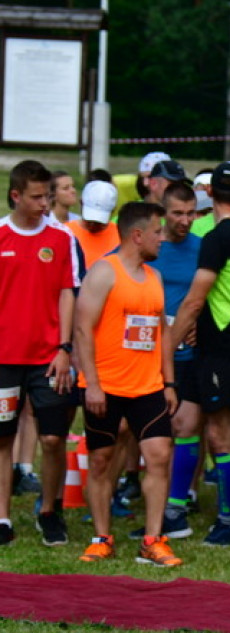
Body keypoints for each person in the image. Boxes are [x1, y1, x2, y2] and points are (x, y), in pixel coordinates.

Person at [74, 202, 181, 566]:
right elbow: (82, 329)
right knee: (102, 461)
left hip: (148, 386)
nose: (162, 238)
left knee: (159, 456)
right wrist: (91, 384)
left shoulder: (155, 277)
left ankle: (153, 539)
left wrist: (168, 381)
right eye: (157, 232)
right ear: (137, 235)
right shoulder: (104, 272)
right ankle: (102, 537)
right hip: (105, 386)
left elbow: (162, 333)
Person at [170, 162, 230, 546]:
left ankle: (229, 519)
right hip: (222, 345)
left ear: (209, 194)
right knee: (185, 423)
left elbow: (195, 300)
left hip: (224, 349)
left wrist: (167, 344)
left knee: (221, 433)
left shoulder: (215, 237)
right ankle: (174, 511)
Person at [0, 160, 80, 547]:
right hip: (4, 359)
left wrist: (65, 347)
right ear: (16, 195)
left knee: (53, 439)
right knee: (3, 438)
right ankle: (2, 518)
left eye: (48, 195)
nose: (45, 204)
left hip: (49, 357)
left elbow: (68, 291)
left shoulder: (62, 236)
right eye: (36, 197)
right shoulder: (0, 234)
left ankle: (51, 510)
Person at [140, 182, 202, 540]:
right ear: (164, 212)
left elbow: (213, 294)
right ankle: (149, 503)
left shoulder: (202, 248)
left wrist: (200, 327)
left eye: (191, 213)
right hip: (148, 353)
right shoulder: (151, 247)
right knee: (152, 434)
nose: (185, 220)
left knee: (186, 427)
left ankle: (176, 509)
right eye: (177, 213)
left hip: (190, 353)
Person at [67, 181, 120, 270]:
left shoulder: (121, 236)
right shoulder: (65, 232)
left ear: (113, 211)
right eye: (89, 219)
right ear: (81, 203)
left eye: (99, 222)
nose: (93, 224)